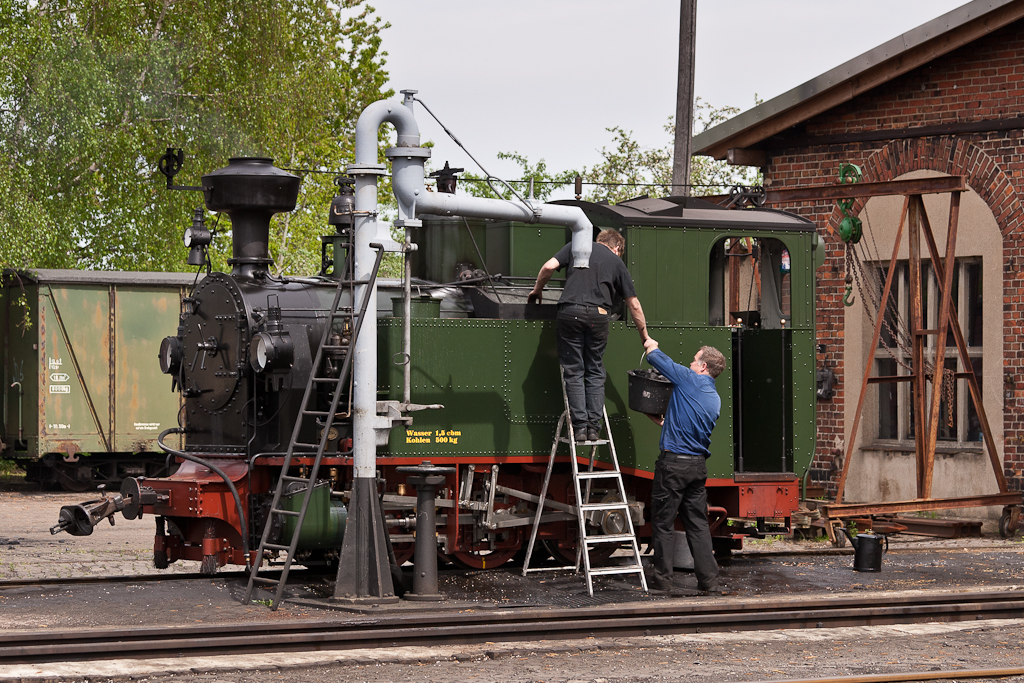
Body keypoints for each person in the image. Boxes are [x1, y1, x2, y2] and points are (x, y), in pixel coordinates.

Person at [527, 229, 649, 443]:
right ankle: (594, 428)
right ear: (617, 248)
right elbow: (634, 305)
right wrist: (645, 337)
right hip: (599, 315)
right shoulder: (617, 262)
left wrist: (538, 290)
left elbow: (548, 267)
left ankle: (579, 428)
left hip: (570, 312)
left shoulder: (578, 246)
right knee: (594, 370)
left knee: (574, 370)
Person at [642, 337, 726, 595]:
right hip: (697, 468)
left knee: (664, 523)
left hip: (673, 466)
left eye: (693, 359)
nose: (690, 363)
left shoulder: (690, 380)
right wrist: (662, 422)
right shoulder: (714, 399)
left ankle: (662, 582)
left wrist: (650, 344)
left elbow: (659, 361)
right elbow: (686, 427)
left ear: (703, 366)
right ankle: (709, 583)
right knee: (698, 525)